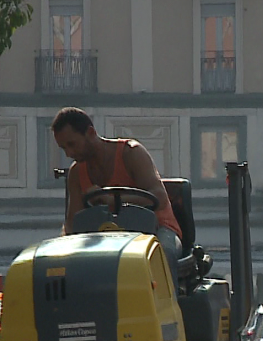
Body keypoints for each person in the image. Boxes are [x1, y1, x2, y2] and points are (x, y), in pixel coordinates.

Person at [51, 107, 183, 274]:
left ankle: (166, 298)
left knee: (161, 255)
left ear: (90, 133)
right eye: (63, 148)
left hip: (156, 228)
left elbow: (160, 198)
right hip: (108, 233)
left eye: (72, 144)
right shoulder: (76, 173)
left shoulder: (131, 153)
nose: (69, 153)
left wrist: (113, 199)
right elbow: (73, 223)